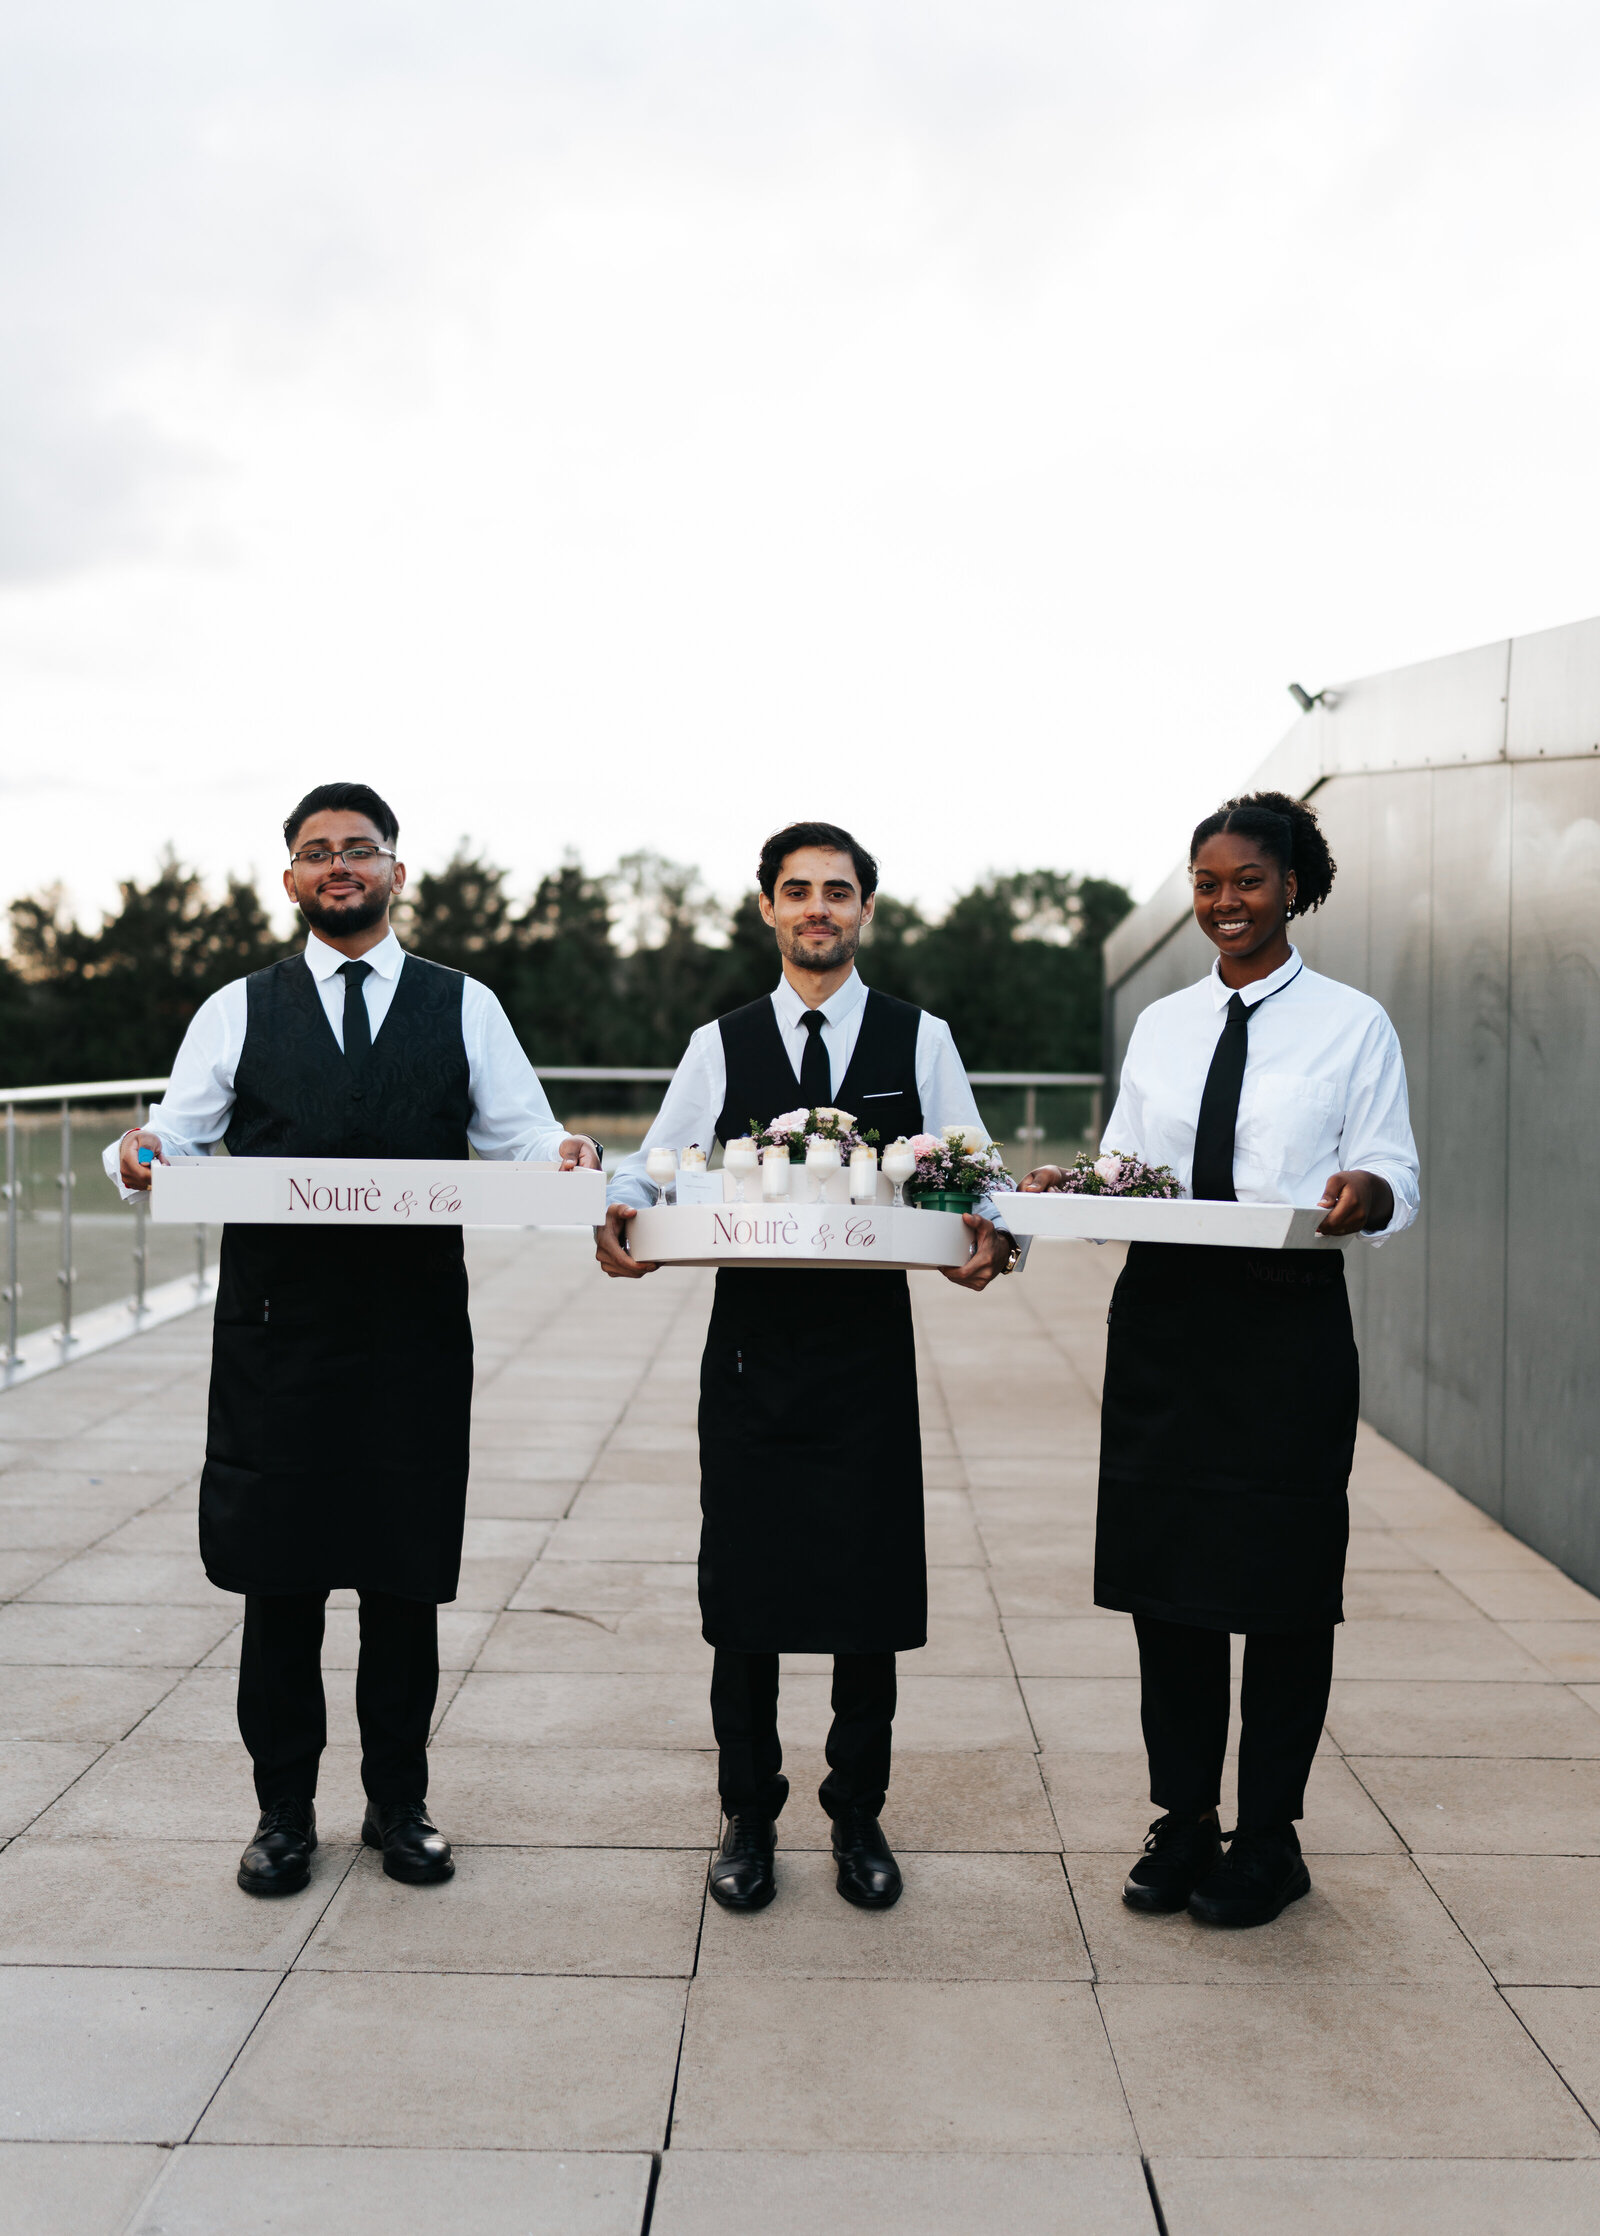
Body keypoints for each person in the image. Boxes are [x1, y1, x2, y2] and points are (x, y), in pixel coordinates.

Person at [106, 782, 600, 1898]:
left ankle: (397, 1804)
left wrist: (564, 1152)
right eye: (318, 852)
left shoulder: (462, 1004)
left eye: (360, 850)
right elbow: (168, 1139)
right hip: (278, 1343)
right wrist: (134, 1152)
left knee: (401, 1583)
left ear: (395, 871)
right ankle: (282, 1815)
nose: (340, 866)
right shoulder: (236, 1008)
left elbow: (525, 1135)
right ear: (289, 877)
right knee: (278, 1588)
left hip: (412, 1340)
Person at [595, 821, 1016, 1913]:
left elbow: (976, 1170)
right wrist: (620, 1213)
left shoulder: (919, 1039)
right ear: (768, 909)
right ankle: (747, 1811)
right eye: (797, 890)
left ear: (866, 909)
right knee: (745, 1590)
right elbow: (651, 1168)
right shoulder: (720, 1040)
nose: (817, 906)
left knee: (867, 1588)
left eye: (837, 890)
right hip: (749, 1351)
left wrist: (995, 1231)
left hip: (866, 1348)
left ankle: (858, 1812)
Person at [1023, 790, 1418, 1929]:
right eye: (1206, 882)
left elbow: (1388, 1162)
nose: (1224, 903)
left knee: (1284, 1585)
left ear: (1294, 885)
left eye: (1247, 880)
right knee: (1172, 1582)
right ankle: (1185, 1819)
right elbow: (1127, 1169)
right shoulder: (1163, 1026)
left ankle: (1270, 1837)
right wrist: (1069, 1186)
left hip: (1284, 1320)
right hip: (1163, 1324)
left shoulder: (1352, 1024)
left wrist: (1365, 1190)